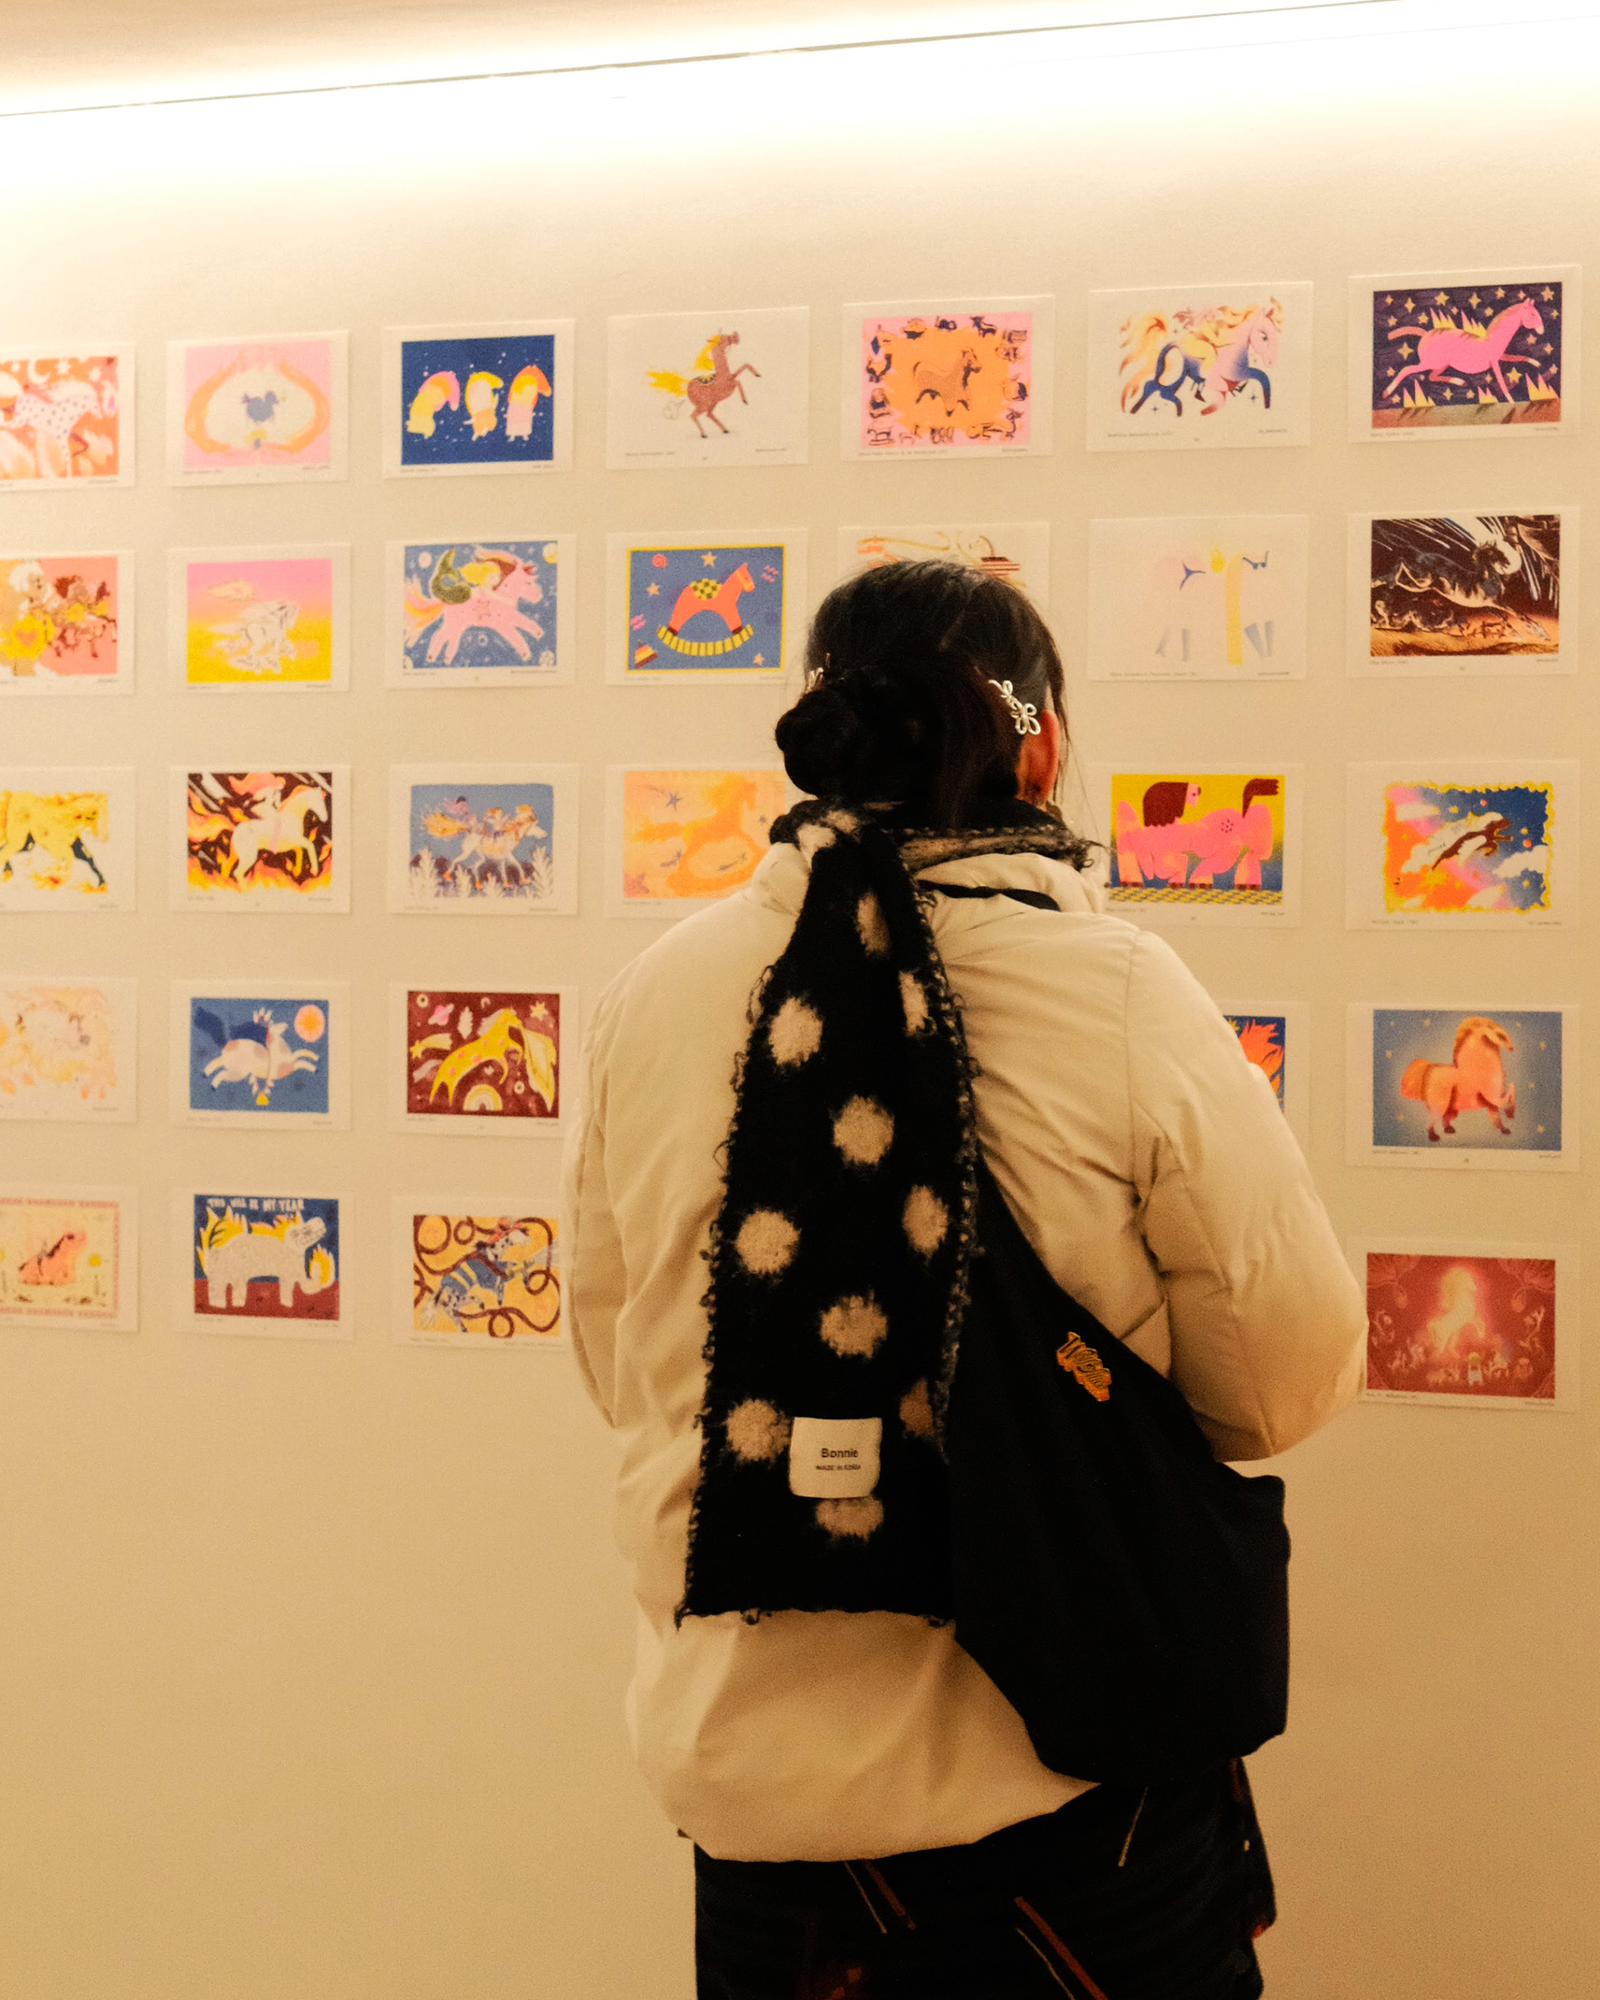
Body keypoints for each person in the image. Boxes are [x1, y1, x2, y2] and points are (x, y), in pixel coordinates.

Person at [562, 560, 1365, 1998]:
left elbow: (619, 1358)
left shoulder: (654, 995)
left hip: (751, 1828)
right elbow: (1282, 1386)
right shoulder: (1116, 992)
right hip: (1055, 1804)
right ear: (1038, 748)